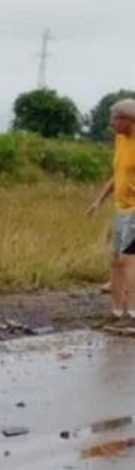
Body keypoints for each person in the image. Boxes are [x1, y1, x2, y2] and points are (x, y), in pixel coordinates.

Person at [86, 98, 135, 318]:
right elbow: (118, 176)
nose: (112, 124)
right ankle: (116, 312)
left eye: (115, 119)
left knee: (128, 259)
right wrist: (99, 200)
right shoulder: (120, 140)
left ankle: (133, 311)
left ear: (128, 119)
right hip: (121, 209)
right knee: (115, 260)